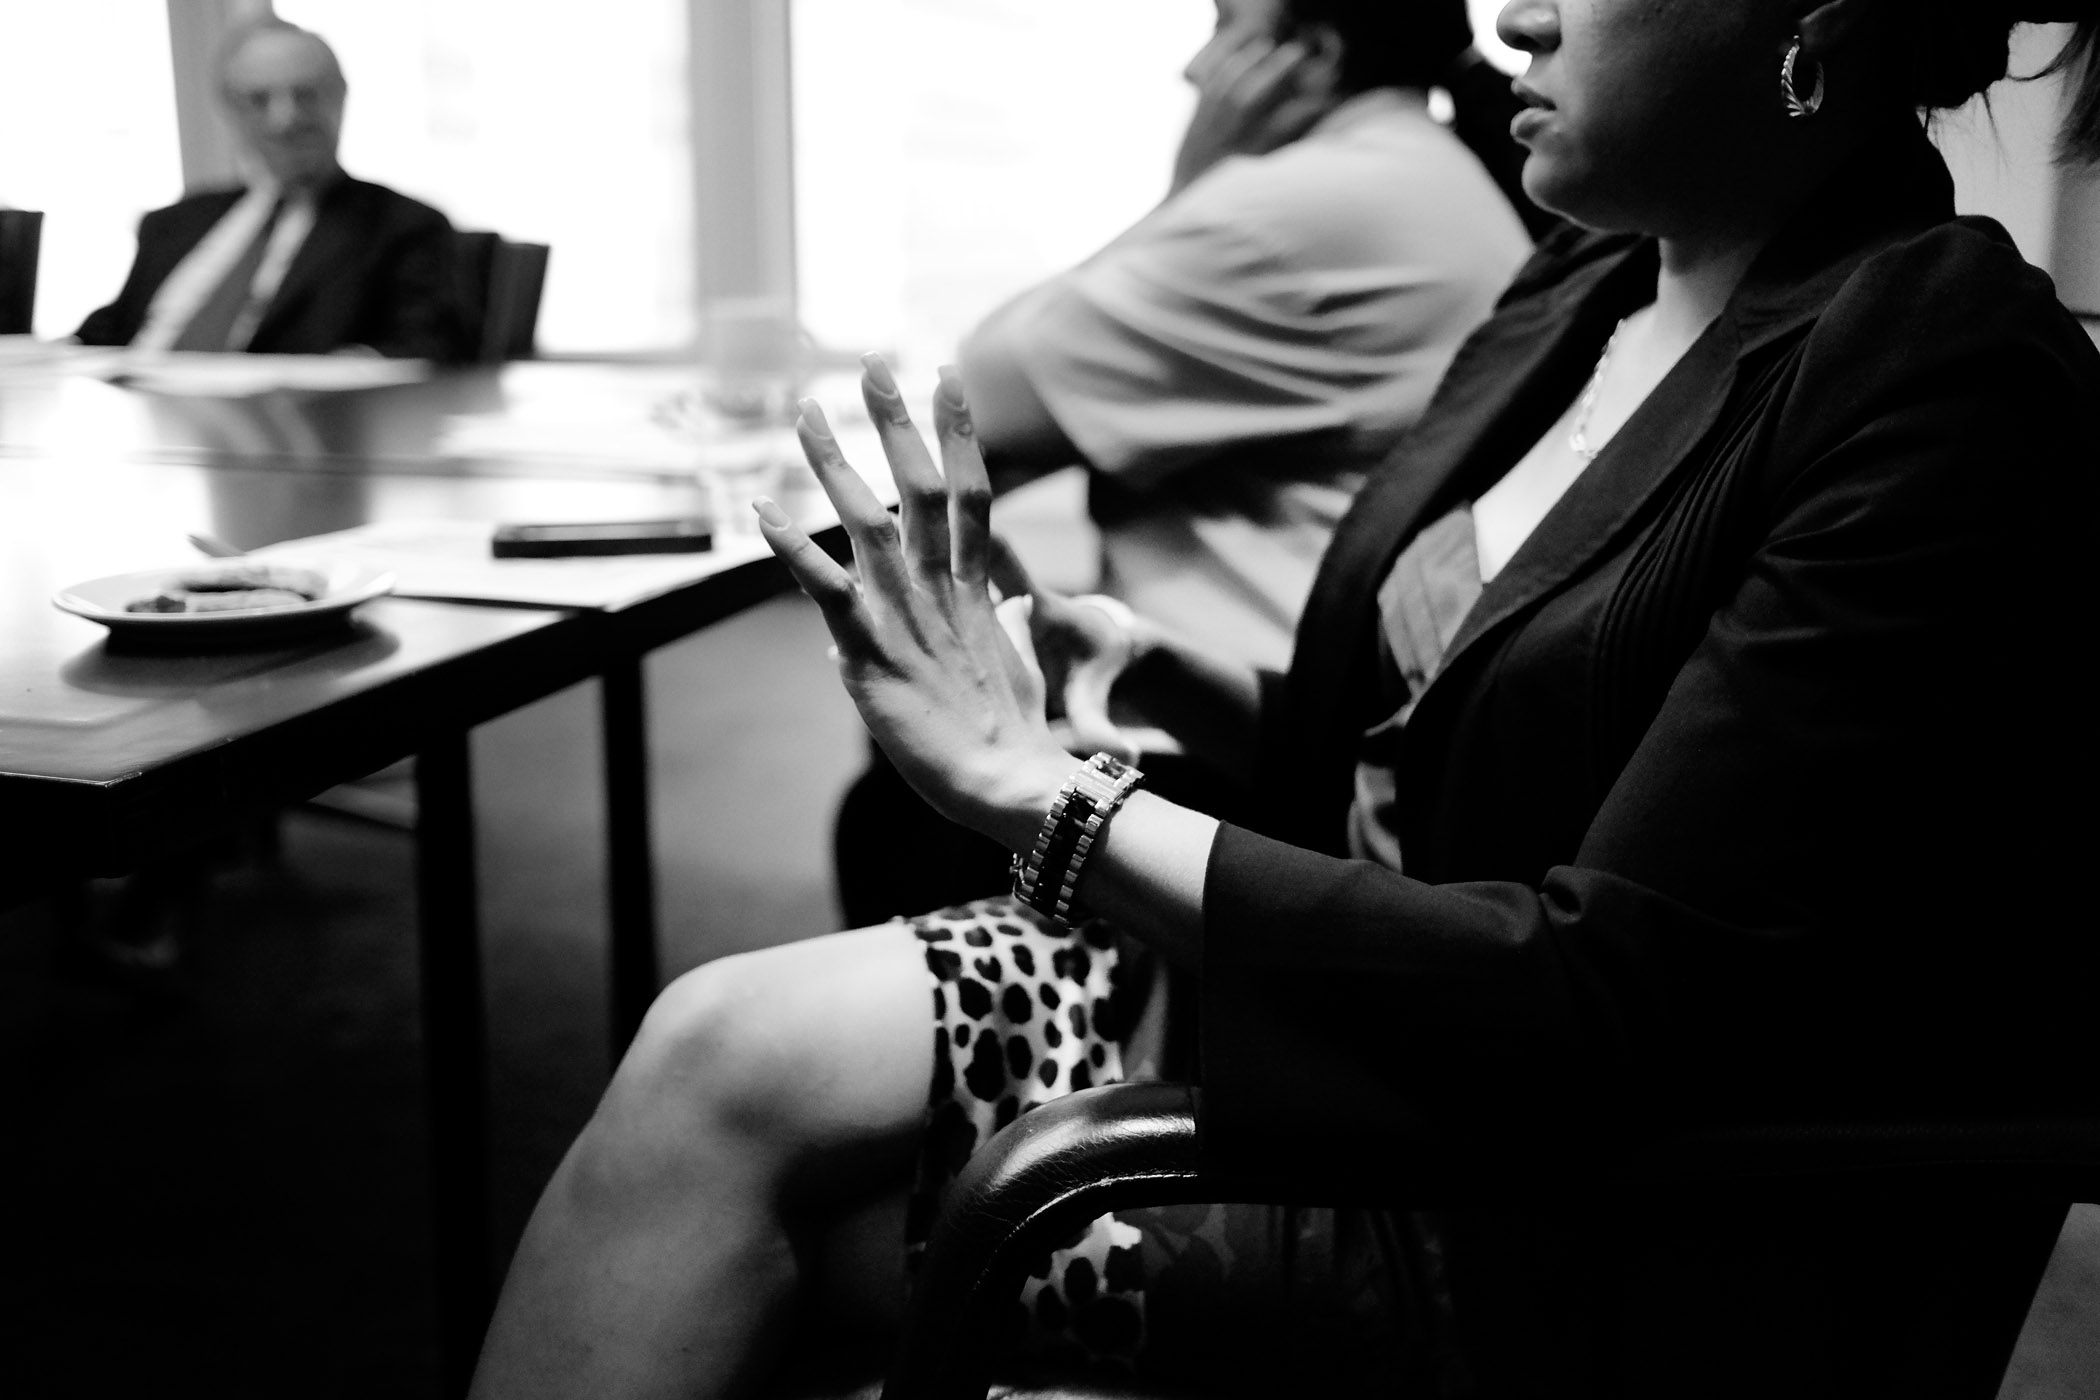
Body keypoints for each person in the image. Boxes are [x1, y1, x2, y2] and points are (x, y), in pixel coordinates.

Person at [473, 3, 2100, 1398]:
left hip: (1527, 1197)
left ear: (1807, 21)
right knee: (710, 1050)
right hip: (1355, 1014)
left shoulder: (1943, 366)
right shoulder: (1590, 283)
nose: (1509, 15)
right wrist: (1175, 684)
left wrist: (1046, 800)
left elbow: (1612, 998)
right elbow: (1440, 714)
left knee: (749, 1224)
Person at [835, 0, 1536, 927]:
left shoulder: (1295, 205)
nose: (1193, 68)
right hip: (1339, 711)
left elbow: (981, 396)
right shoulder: (1413, 167)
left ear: (1306, 54)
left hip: (1250, 739)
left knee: (892, 815)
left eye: (1221, 23)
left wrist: (1191, 184)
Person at [76, 18, 470, 360]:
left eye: (306, 95)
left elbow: (427, 350)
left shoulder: (401, 227)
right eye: (259, 99)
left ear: (340, 97)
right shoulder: (176, 222)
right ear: (230, 111)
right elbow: (105, 335)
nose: (285, 119)